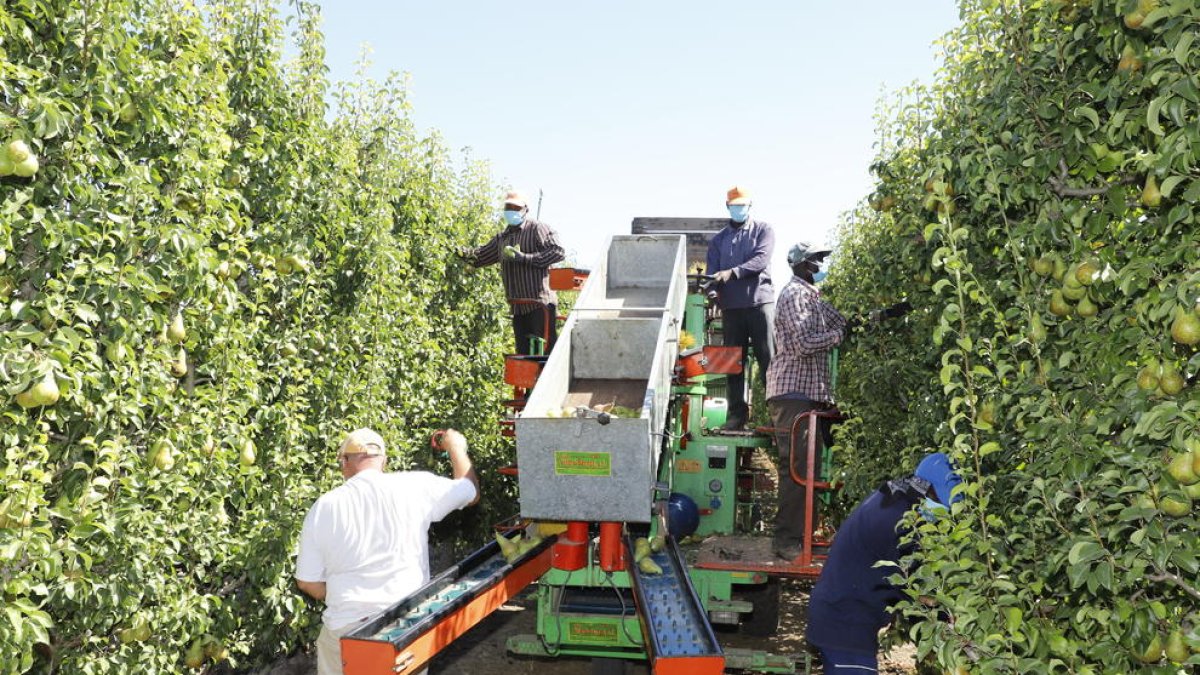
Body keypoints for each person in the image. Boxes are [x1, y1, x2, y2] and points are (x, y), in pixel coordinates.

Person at [295, 428, 480, 675]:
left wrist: (346, 594)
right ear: (384, 460)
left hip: (346, 629)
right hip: (403, 627)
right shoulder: (414, 486)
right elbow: (470, 490)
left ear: (344, 462)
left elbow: (307, 582)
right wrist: (456, 446)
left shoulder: (324, 506)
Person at [806, 452, 963, 674]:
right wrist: (951, 623)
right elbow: (917, 589)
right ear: (929, 489)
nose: (945, 514)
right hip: (845, 625)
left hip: (842, 618)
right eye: (944, 504)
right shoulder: (900, 522)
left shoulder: (893, 497)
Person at [766, 242, 846, 561]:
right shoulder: (793, 295)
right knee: (796, 467)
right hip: (792, 393)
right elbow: (801, 344)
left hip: (810, 396)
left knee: (807, 468)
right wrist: (839, 335)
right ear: (801, 264)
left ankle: (800, 536)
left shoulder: (814, 297)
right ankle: (785, 540)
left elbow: (842, 322)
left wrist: (880, 317)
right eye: (816, 260)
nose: (820, 265)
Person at [458, 191, 566, 355]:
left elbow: (558, 252)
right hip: (518, 307)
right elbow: (479, 256)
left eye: (516, 207)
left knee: (544, 354)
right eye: (508, 207)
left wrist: (525, 258)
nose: (511, 211)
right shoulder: (502, 238)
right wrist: (458, 252)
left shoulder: (536, 229)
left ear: (525, 210)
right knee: (523, 355)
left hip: (540, 305)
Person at [705, 185, 776, 429]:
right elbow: (711, 273)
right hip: (732, 308)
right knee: (732, 362)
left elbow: (760, 261)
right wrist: (713, 293)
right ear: (727, 207)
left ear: (750, 206)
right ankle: (736, 416)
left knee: (768, 360)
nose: (738, 209)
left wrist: (732, 273)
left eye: (742, 205)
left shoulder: (763, 231)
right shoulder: (718, 241)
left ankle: (774, 415)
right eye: (734, 205)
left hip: (759, 303)